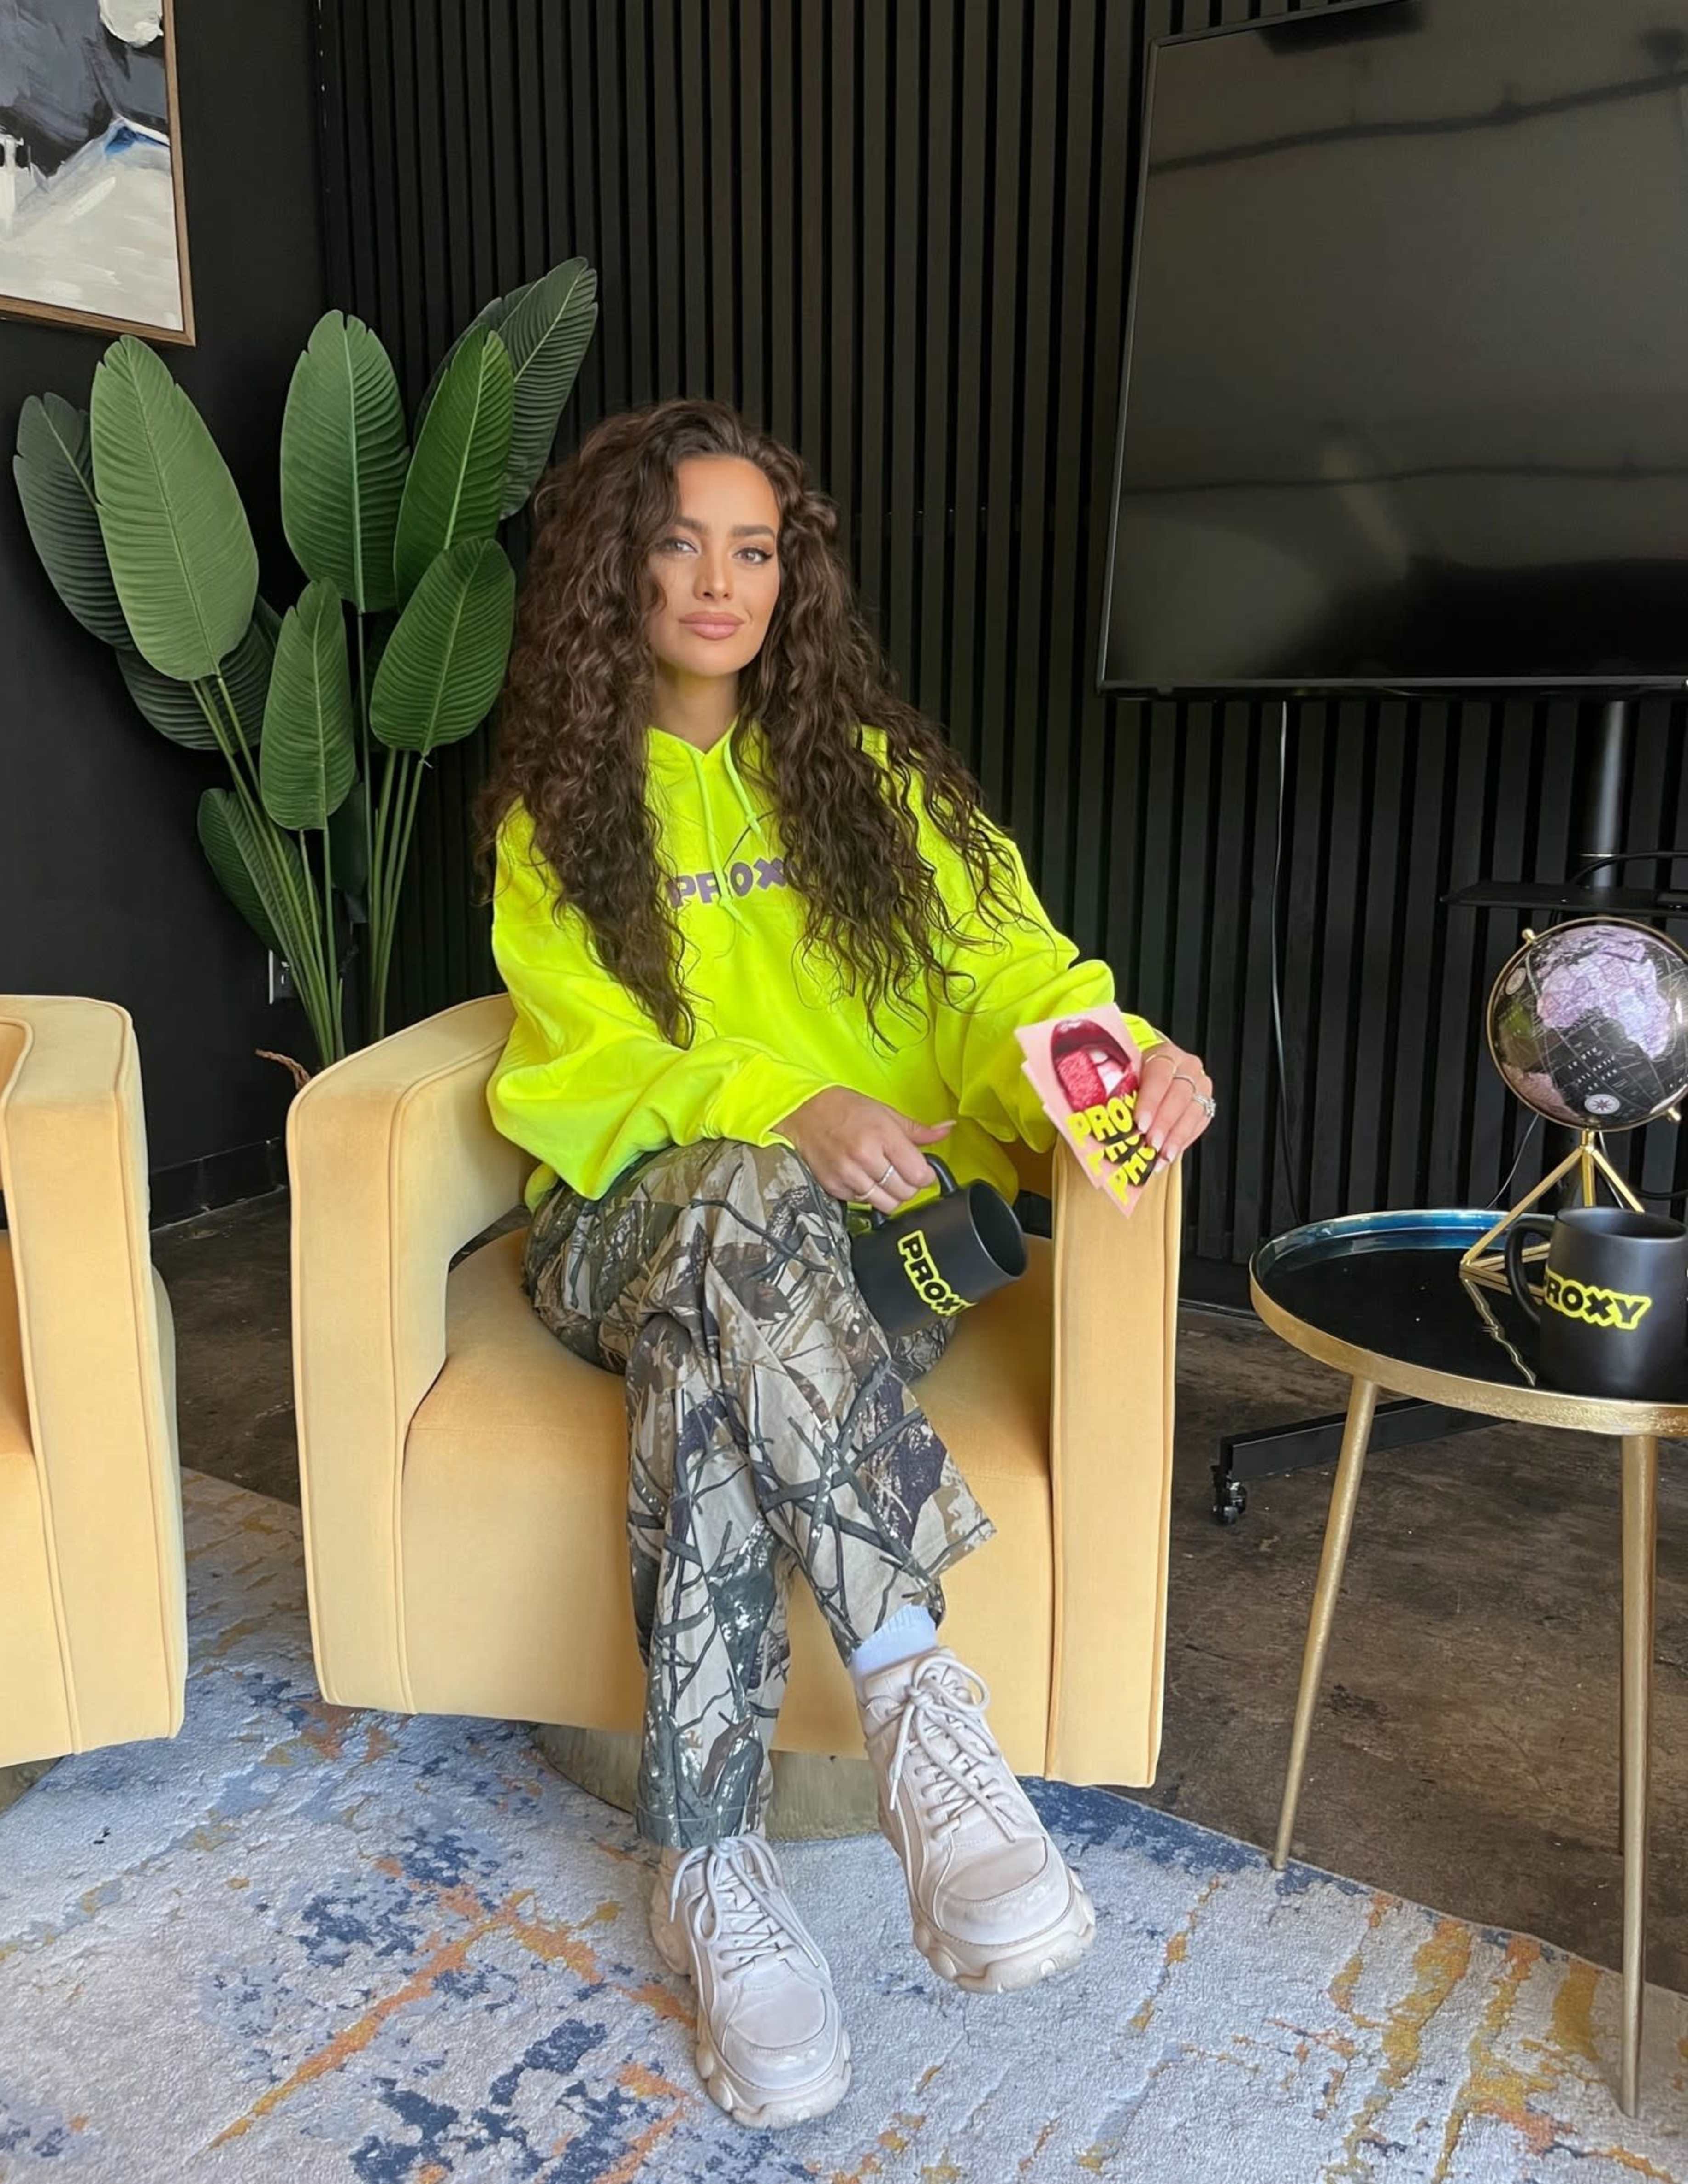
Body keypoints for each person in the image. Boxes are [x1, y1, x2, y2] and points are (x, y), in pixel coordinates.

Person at [476, 399, 1215, 2130]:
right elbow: (584, 1070)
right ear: (617, 569)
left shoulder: (871, 787)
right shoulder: (556, 821)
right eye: (679, 541)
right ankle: (916, 1700)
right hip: (613, 1223)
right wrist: (783, 1102)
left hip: (801, 1282)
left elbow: (1008, 972)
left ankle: (713, 1870)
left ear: (792, 576)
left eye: (756, 545)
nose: (720, 580)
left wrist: (1113, 1053)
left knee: (712, 1370)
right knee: (732, 1198)